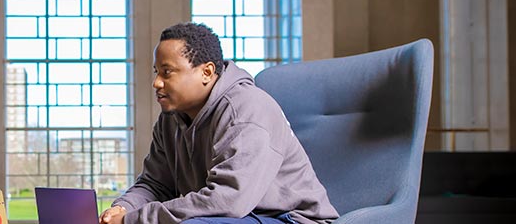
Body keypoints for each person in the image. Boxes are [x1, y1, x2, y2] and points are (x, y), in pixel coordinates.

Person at [99, 23, 339, 224]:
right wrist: (123, 208)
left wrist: (134, 220)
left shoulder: (246, 109)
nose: (156, 83)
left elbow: (227, 200)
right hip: (236, 216)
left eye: (167, 72)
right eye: (156, 72)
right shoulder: (170, 120)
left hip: (290, 219)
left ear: (207, 72)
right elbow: (155, 184)